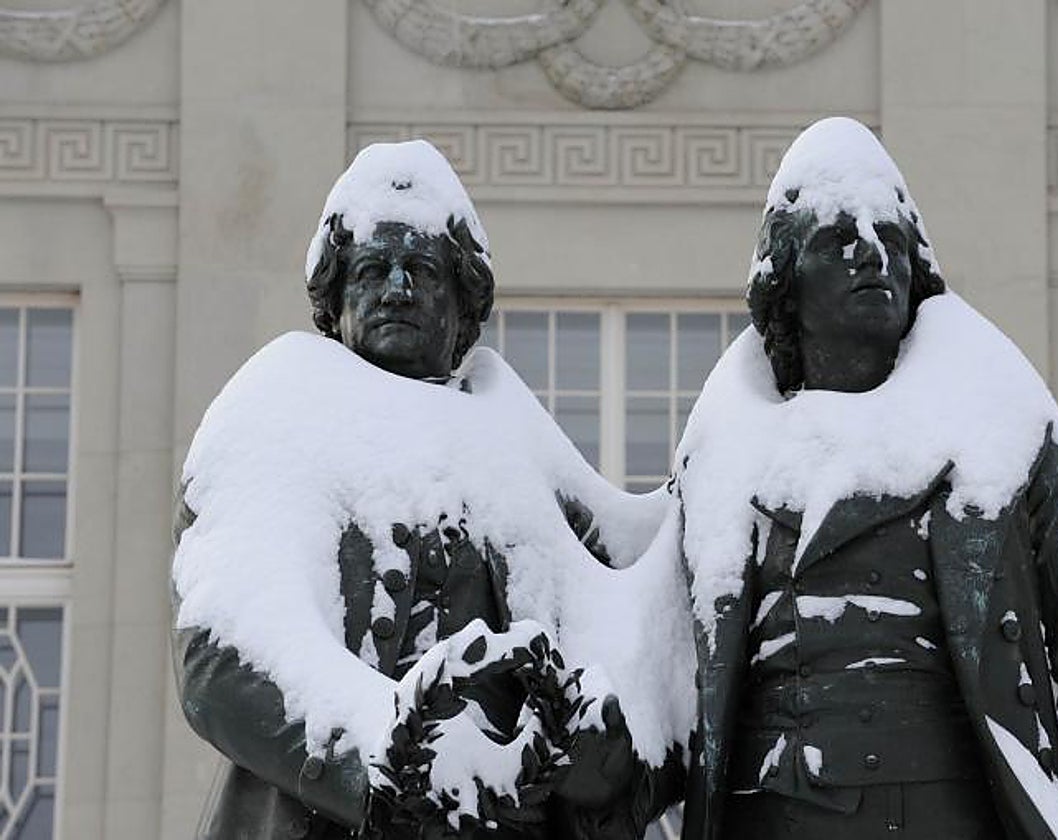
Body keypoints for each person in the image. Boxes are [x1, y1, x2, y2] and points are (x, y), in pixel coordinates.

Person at [674, 117, 1058, 839]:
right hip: (771, 817)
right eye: (837, 239)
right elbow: (654, 657)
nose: (871, 254)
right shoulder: (720, 449)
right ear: (786, 284)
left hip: (948, 814)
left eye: (891, 237)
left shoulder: (1005, 421)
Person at [171, 141, 684, 840]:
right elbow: (228, 651)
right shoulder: (278, 406)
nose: (398, 290)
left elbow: (635, 580)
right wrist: (392, 765)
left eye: (421, 270)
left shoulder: (508, 431)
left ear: (462, 298)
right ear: (336, 295)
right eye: (373, 270)